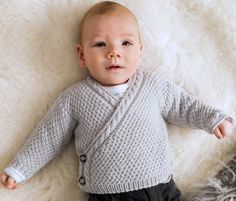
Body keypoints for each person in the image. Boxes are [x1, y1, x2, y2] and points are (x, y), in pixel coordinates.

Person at [0, 1, 234, 201]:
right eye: (101, 44)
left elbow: (184, 105)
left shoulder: (153, 86)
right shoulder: (75, 97)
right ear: (82, 55)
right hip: (106, 195)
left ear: (140, 51)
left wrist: (212, 119)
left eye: (126, 43)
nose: (114, 52)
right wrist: (20, 168)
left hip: (159, 189)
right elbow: (49, 135)